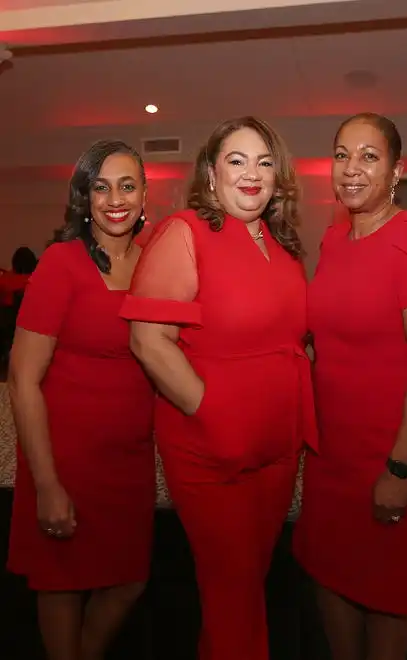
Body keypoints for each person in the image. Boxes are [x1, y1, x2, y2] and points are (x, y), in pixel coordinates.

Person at [120, 115, 317, 660]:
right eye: (237, 160)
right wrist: (214, 410)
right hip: (211, 448)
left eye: (264, 161)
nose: (251, 174)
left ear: (278, 177)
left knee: (248, 586)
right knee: (233, 595)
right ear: (211, 173)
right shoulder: (186, 232)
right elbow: (149, 341)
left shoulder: (282, 247)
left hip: (277, 450)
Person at [293, 113, 407, 660]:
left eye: (369, 155)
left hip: (393, 445)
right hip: (332, 445)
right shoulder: (335, 238)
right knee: (327, 565)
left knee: (385, 588)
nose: (352, 168)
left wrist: (399, 469)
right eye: (342, 154)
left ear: (396, 171)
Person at [8, 140, 156, 660]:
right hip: (64, 455)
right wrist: (46, 484)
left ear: (144, 194)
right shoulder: (61, 262)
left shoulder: (157, 261)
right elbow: (23, 377)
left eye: (127, 184)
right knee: (62, 583)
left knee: (130, 579)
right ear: (84, 198)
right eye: (100, 186)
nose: (114, 198)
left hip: (130, 461)